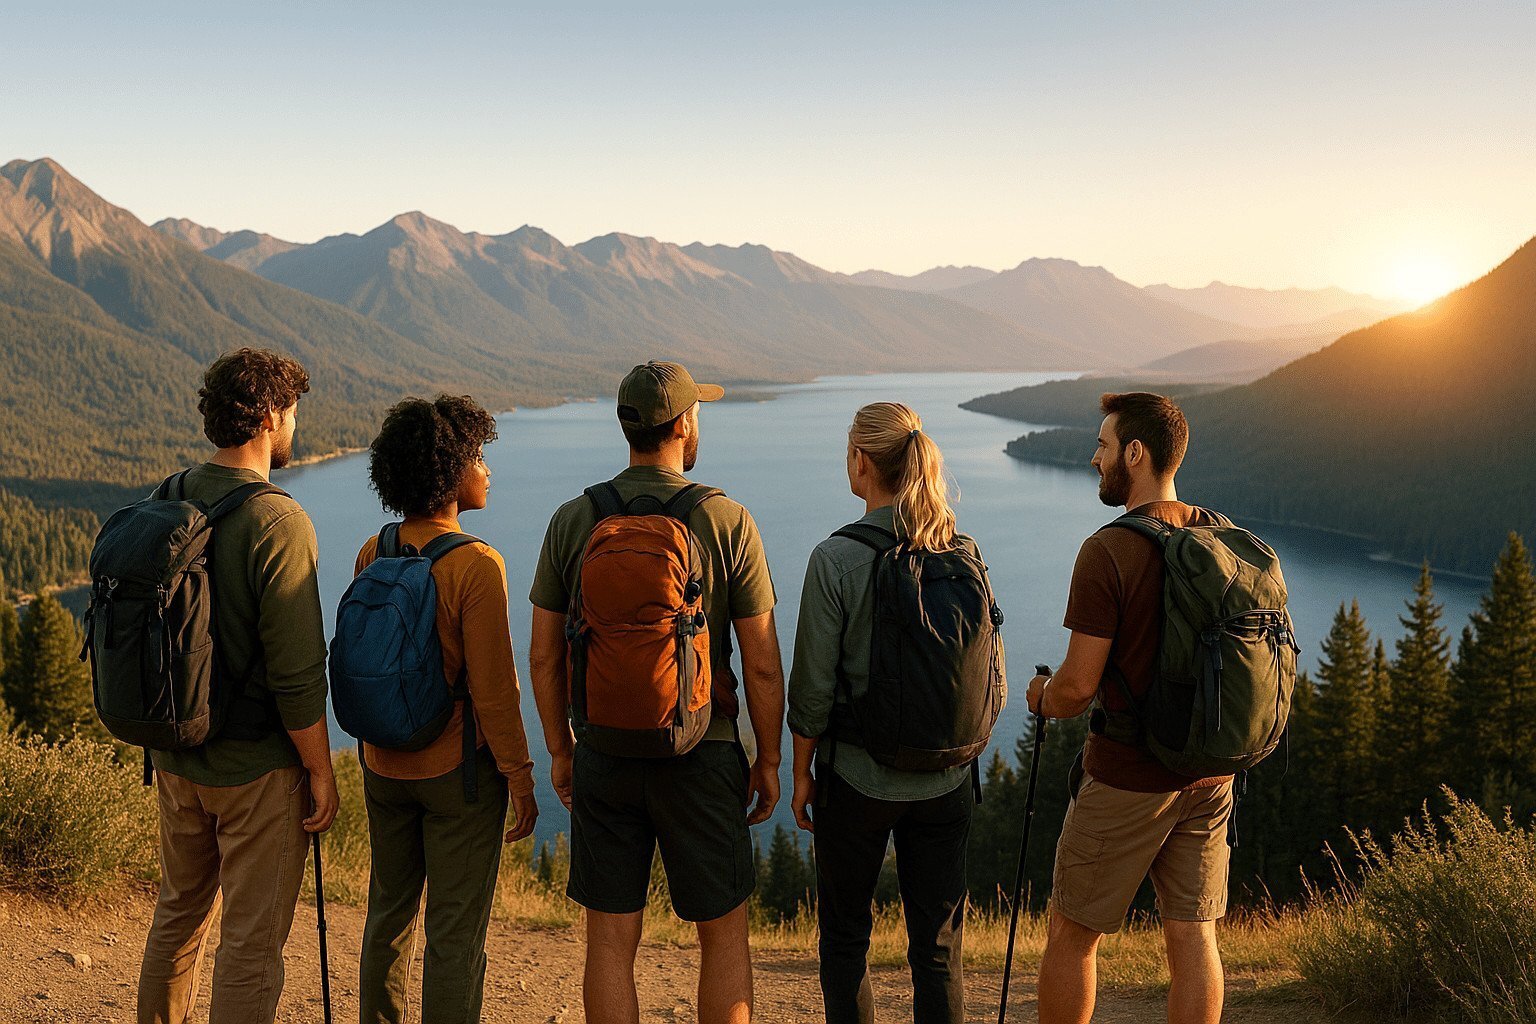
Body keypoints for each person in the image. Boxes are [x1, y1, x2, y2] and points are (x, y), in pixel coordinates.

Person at [528, 360, 784, 1024]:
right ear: (684, 424)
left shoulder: (572, 519)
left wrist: (562, 750)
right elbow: (760, 665)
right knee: (722, 933)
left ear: (627, 427)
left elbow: (544, 654)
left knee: (610, 941)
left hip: (605, 752)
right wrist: (771, 761)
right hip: (702, 751)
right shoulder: (727, 521)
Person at [137, 348, 339, 1024]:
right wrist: (321, 770)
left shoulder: (168, 495)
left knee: (176, 921)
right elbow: (298, 672)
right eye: (293, 416)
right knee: (250, 947)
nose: (294, 430)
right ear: (271, 416)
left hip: (174, 754)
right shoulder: (277, 521)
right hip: (256, 771)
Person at [789, 402, 1000, 1024]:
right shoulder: (962, 548)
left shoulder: (836, 558)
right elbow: (991, 675)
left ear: (860, 461)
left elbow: (811, 692)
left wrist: (802, 774)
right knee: (937, 948)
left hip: (856, 779)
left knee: (847, 940)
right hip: (948, 779)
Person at [1026, 392, 1234, 1024]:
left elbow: (1076, 688)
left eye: (1103, 445)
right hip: (1210, 775)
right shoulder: (1220, 534)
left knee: (1073, 932)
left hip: (1128, 777)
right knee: (1194, 934)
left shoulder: (1108, 550)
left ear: (1135, 454)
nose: (1094, 458)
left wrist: (1039, 696)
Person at [352, 395, 540, 1024]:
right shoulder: (476, 566)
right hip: (457, 776)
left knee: (388, 918)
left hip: (382, 762)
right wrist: (520, 775)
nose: (487, 470)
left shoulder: (373, 550)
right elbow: (494, 691)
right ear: (450, 471)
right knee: (455, 936)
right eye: (478, 457)